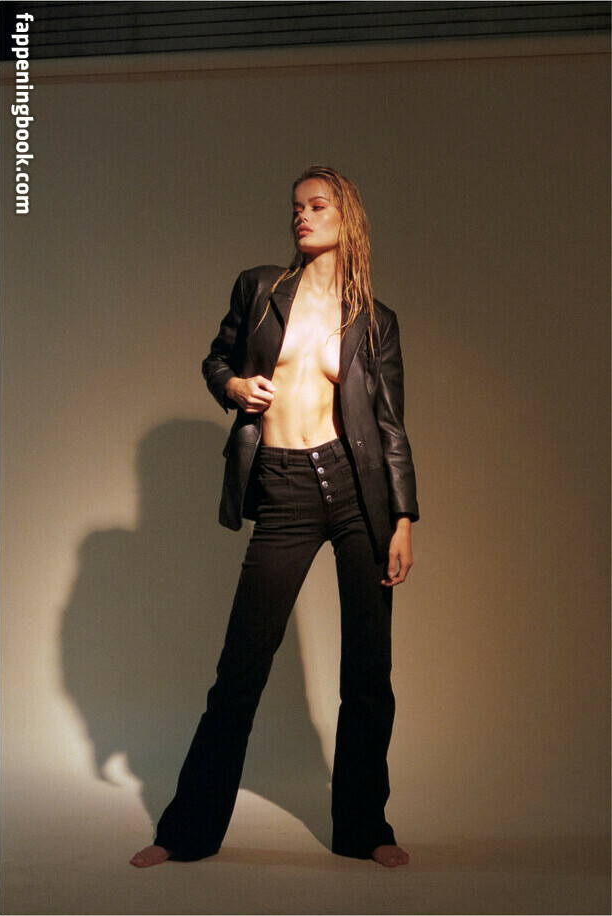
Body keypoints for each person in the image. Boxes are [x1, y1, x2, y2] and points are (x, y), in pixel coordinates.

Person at [130, 165, 419, 869]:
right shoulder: (260, 289)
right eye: (296, 207)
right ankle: (186, 831)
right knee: (241, 669)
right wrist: (233, 386)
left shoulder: (375, 320)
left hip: (358, 491)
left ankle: (364, 828)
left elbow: (390, 426)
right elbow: (216, 359)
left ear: (347, 218)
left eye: (317, 205)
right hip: (284, 486)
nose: (302, 216)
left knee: (368, 674)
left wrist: (405, 518)